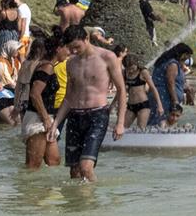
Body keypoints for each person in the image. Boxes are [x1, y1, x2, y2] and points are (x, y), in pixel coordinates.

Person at [50, 24, 127, 181]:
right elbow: (68, 96)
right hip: (75, 116)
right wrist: (55, 123)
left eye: (77, 47)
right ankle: (78, 204)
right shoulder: (71, 63)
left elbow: (121, 89)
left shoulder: (107, 57)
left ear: (86, 38)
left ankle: (94, 203)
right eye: (71, 49)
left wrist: (120, 122)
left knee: (85, 168)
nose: (74, 51)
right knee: (74, 172)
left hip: (97, 115)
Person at [20, 38, 64, 170]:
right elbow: (34, 94)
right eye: (67, 48)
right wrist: (45, 118)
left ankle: (48, 190)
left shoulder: (49, 66)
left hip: (46, 118)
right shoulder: (46, 67)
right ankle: (28, 190)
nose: (70, 52)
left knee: (54, 161)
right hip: (37, 118)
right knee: (33, 166)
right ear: (58, 49)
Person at [150, 43, 193, 126]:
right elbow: (170, 83)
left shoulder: (164, 61)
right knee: (160, 123)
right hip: (164, 97)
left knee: (158, 122)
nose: (188, 59)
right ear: (183, 54)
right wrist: (175, 100)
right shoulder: (173, 64)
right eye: (188, 56)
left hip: (158, 95)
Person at [122, 54, 163, 128]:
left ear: (136, 64)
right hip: (131, 106)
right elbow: (121, 90)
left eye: (132, 68)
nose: (130, 70)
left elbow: (153, 88)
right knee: (123, 127)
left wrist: (159, 105)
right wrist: (113, 105)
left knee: (141, 129)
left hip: (143, 105)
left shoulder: (143, 72)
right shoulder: (125, 73)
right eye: (128, 68)